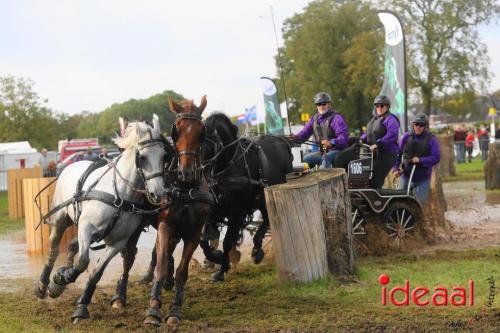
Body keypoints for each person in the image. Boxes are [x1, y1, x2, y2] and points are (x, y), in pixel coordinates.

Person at [291, 92, 349, 168]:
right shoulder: (313, 119)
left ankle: (326, 179)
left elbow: (343, 138)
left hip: (338, 151)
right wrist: (294, 138)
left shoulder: (337, 118)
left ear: (329, 104)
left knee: (325, 158)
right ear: (316, 106)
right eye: (319, 104)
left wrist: (332, 143)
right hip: (323, 152)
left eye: (324, 104)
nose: (321, 106)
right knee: (304, 160)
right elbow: (304, 134)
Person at [392, 114, 441, 203]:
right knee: (399, 201)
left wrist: (420, 160)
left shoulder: (431, 140)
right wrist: (395, 169)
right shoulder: (406, 137)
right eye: (416, 124)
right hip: (406, 175)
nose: (418, 127)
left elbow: (436, 157)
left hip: (423, 178)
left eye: (421, 125)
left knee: (418, 204)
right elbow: (397, 153)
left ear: (425, 126)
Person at [360, 95, 400, 188]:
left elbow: (392, 134)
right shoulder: (373, 120)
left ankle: (377, 202)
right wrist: (361, 139)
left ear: (387, 107)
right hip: (374, 154)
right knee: (367, 178)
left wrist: (378, 144)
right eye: (377, 106)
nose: (379, 108)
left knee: (376, 179)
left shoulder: (391, 119)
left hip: (387, 154)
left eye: (382, 105)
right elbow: (367, 133)